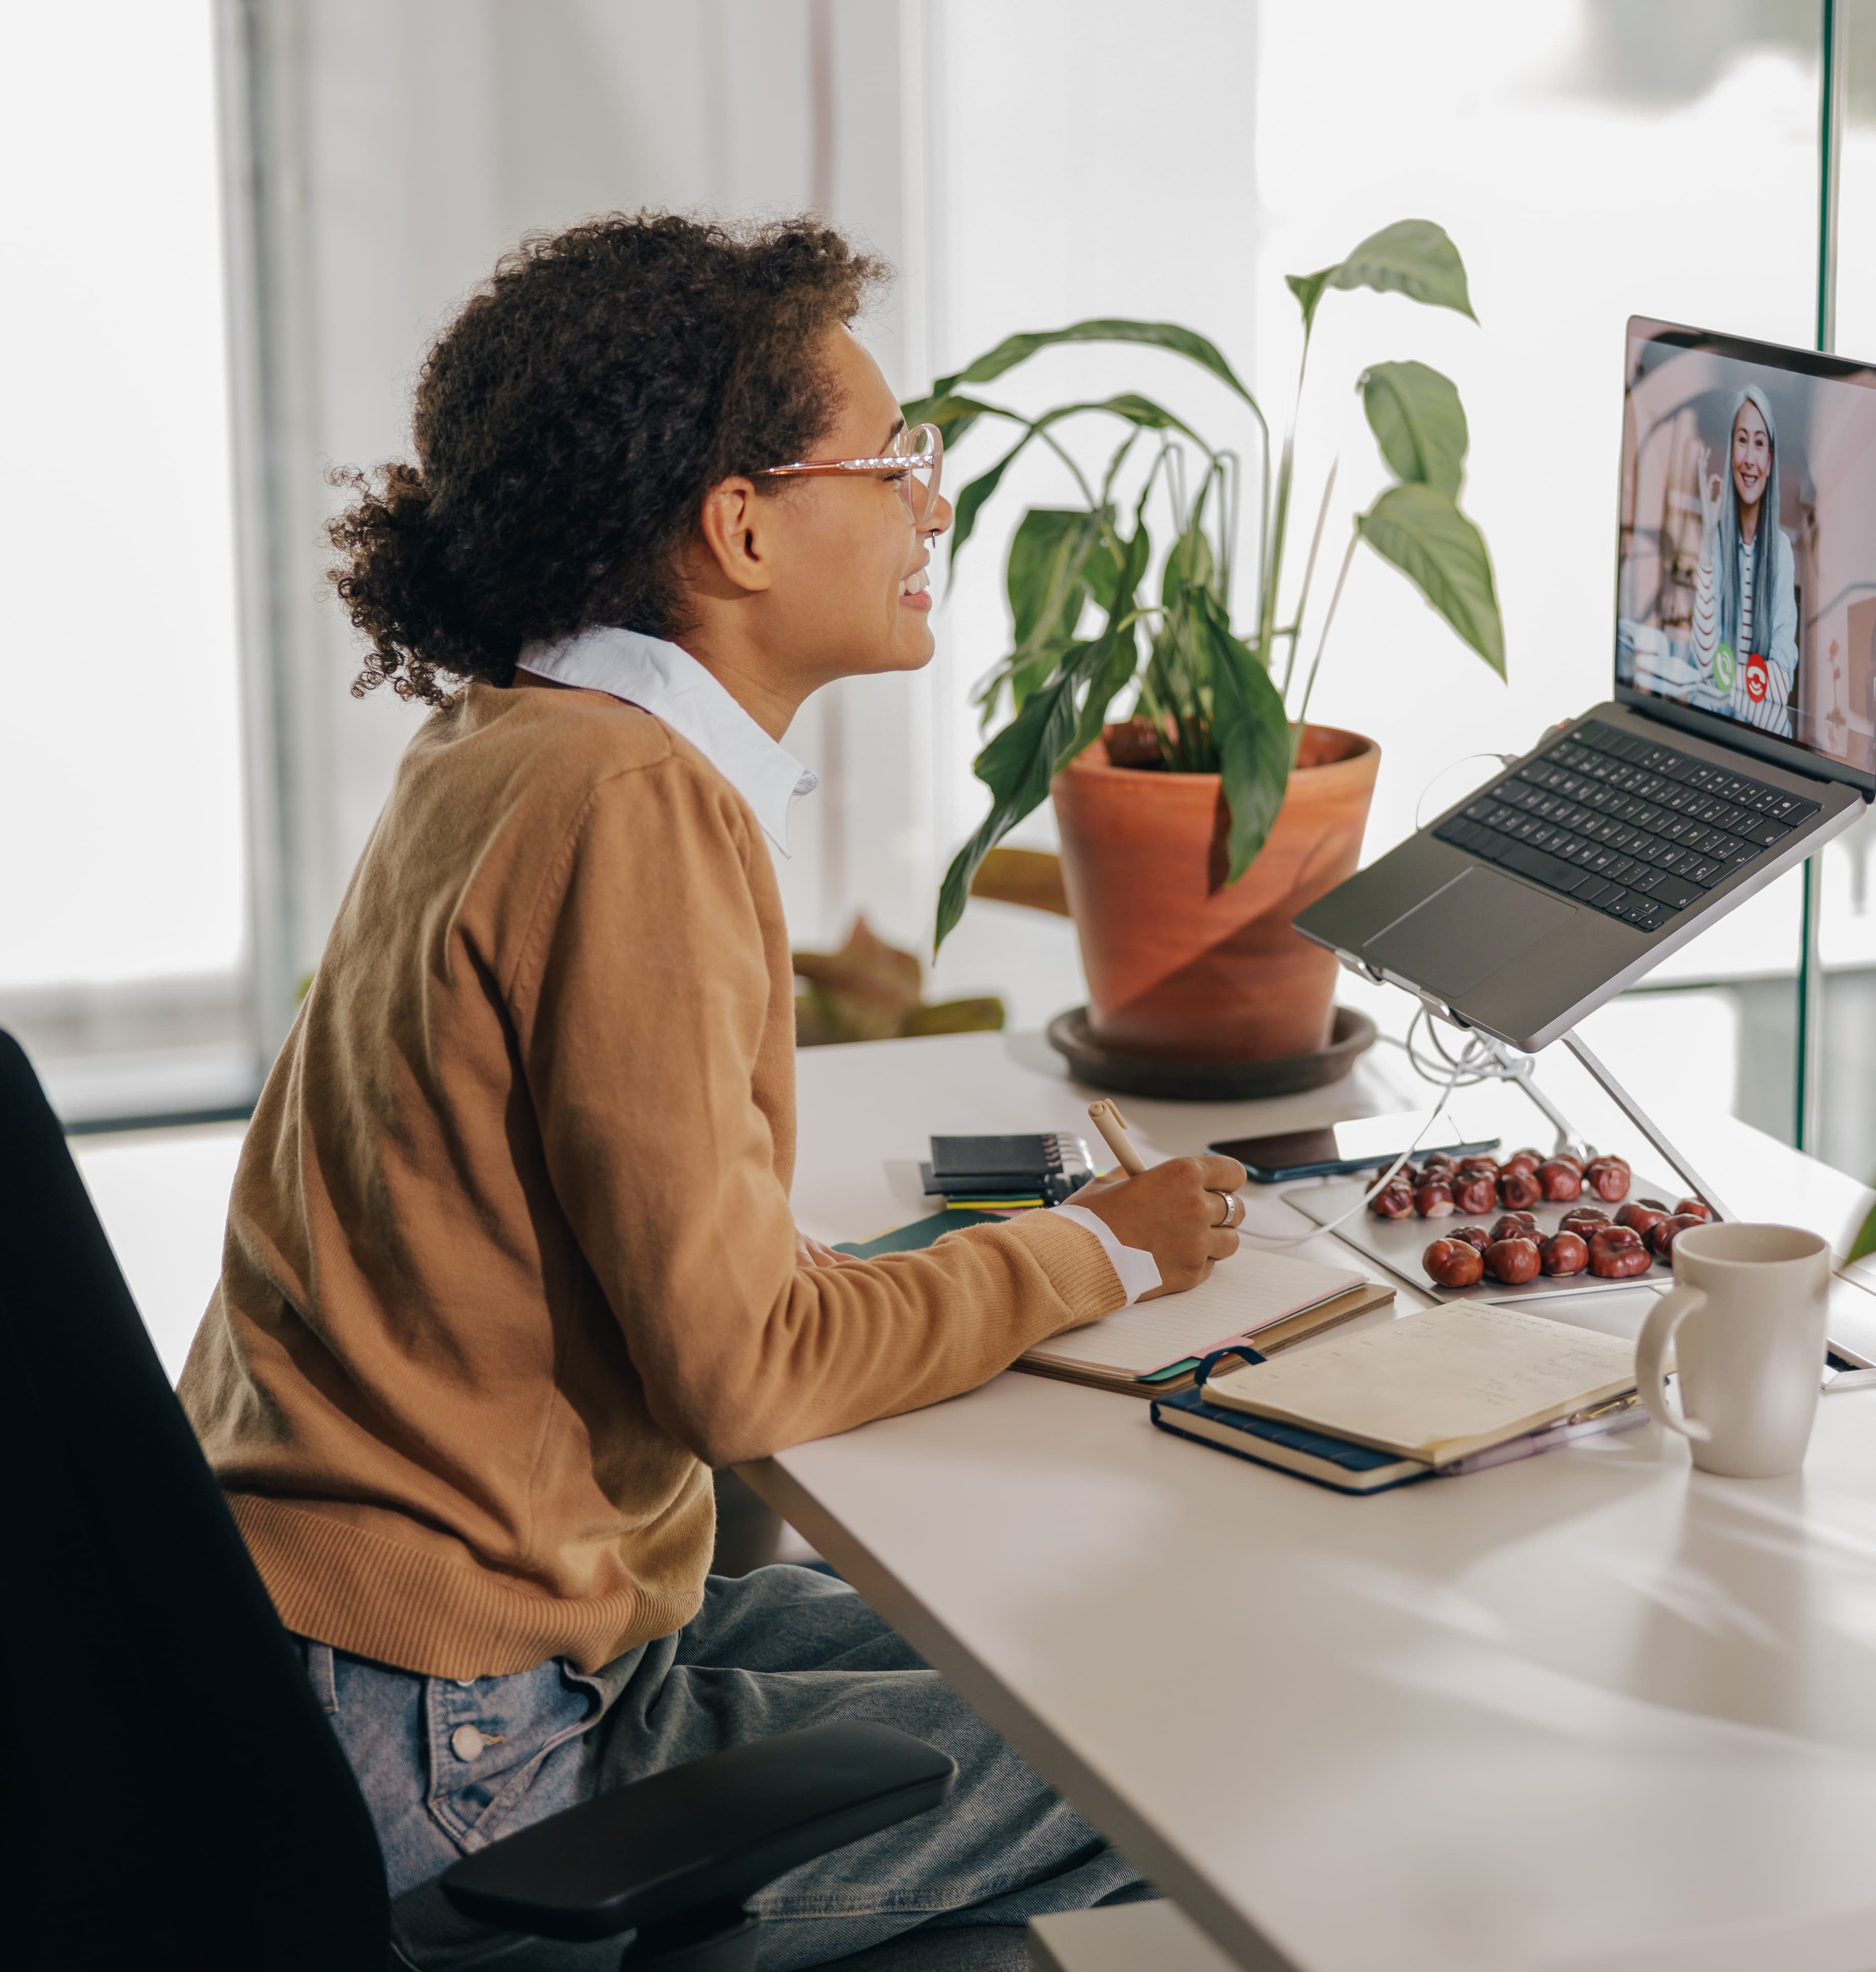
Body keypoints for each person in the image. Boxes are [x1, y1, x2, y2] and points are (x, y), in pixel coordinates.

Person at [178, 213, 1245, 1970]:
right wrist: (1100, 1255)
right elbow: (745, 1369)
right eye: (895, 464)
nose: (933, 509)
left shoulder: (506, 741)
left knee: (1095, 1653)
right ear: (739, 527)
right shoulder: (634, 806)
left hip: (332, 1657)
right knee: (1205, 1738)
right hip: (464, 1740)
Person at [1677, 388, 1798, 735]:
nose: (1749, 458)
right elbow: (1703, 659)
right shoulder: (1716, 542)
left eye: (1759, 444)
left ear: (1770, 462)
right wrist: (1706, 540)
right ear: (1731, 451)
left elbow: (1781, 683)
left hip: (1760, 739)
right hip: (1711, 731)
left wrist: (1723, 675)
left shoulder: (1782, 551)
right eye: (1742, 440)